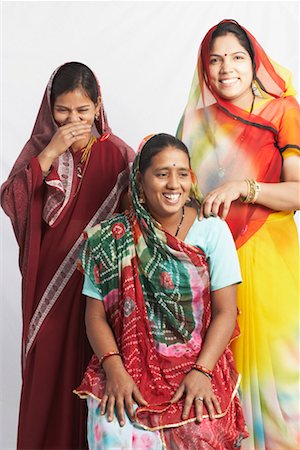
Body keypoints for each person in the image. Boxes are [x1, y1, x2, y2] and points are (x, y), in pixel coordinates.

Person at [74, 133, 249, 449]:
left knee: (202, 431)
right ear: (140, 181)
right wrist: (114, 371)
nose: (174, 184)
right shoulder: (110, 238)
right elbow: (95, 316)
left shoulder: (212, 230)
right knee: (113, 430)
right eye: (162, 173)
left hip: (198, 365)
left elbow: (225, 312)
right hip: (126, 366)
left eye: (182, 173)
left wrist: (202, 372)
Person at [176, 19, 300, 449]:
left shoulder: (282, 112)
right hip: (212, 266)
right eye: (215, 60)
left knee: (280, 383)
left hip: (271, 262)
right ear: (204, 69)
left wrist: (243, 188)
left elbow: (298, 191)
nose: (226, 68)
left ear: (254, 61)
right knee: (220, 376)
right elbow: (180, 198)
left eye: (237, 57)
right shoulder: (193, 125)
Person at [0, 62, 135, 449]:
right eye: (63, 111)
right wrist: (50, 153)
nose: (72, 120)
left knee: (93, 377)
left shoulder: (121, 155)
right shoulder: (39, 150)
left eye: (82, 111)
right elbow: (11, 201)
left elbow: (139, 215)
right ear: (49, 108)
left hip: (101, 292)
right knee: (47, 378)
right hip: (49, 288)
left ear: (98, 106)